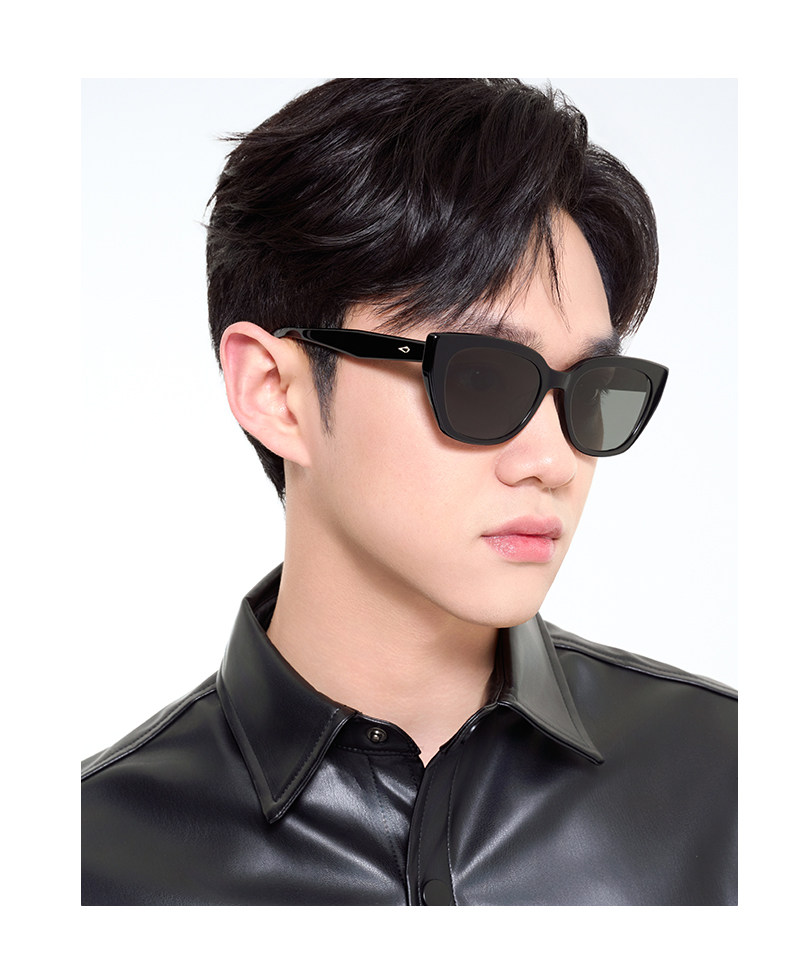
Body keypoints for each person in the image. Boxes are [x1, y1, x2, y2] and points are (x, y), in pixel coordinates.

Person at [81, 78, 736, 906]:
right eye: (482, 379)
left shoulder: (730, 780)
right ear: (276, 393)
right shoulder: (86, 860)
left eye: (590, 388)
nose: (554, 460)